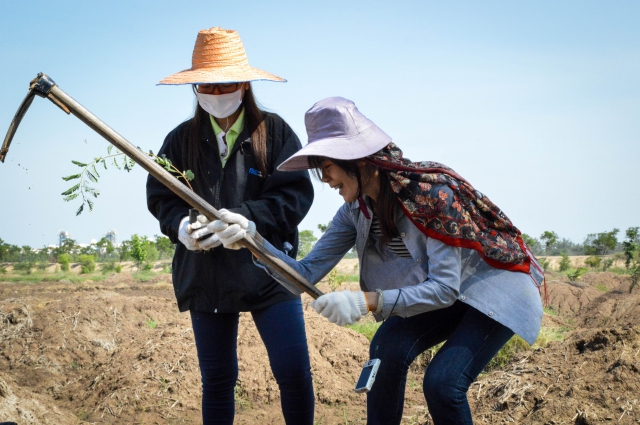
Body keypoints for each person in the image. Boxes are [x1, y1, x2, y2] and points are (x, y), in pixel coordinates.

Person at [207, 97, 545, 425]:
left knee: (443, 383)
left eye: (327, 168)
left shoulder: (430, 196)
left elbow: (443, 289)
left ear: (360, 161)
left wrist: (365, 301)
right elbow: (305, 273)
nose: (326, 180)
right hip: (452, 292)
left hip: (495, 290)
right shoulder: (354, 211)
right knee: (386, 346)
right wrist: (253, 241)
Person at [146, 27, 315, 425]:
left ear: (244, 84)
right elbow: (161, 196)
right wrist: (181, 228)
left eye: (224, 84)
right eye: (206, 85)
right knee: (218, 379)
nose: (216, 93)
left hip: (268, 270)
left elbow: (294, 196)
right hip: (207, 275)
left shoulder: (274, 133)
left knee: (293, 372)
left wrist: (250, 219)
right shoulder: (180, 141)